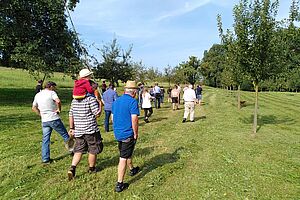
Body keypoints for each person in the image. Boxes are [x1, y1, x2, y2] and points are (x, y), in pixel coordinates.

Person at [112, 80, 140, 192]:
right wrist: (135, 133)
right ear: (133, 92)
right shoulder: (133, 102)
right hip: (127, 133)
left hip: (118, 132)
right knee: (123, 158)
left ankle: (132, 169)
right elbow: (134, 119)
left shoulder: (116, 101)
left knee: (126, 152)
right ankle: (119, 184)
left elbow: (112, 118)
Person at [67, 91, 103, 180]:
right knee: (93, 149)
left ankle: (72, 168)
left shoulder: (74, 101)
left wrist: (72, 128)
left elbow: (71, 115)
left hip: (78, 130)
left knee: (78, 150)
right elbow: (97, 114)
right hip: (91, 131)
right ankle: (92, 168)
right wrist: (100, 103)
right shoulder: (90, 99)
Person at [32, 81, 70, 164]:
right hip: (53, 118)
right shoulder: (52, 93)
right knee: (65, 135)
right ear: (51, 86)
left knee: (46, 139)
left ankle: (45, 159)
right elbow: (58, 101)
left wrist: (40, 114)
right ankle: (73, 151)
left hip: (44, 120)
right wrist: (59, 109)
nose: (56, 88)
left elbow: (34, 107)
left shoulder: (38, 94)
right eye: (55, 87)